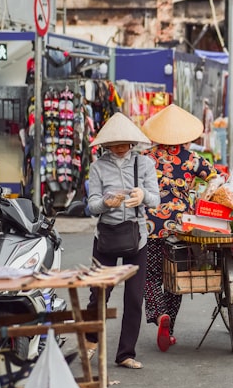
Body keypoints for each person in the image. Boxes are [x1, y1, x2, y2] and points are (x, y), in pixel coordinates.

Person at [85, 112, 160, 369]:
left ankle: (126, 353)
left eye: (124, 142)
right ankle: (90, 340)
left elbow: (156, 199)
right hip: (106, 236)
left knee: (134, 298)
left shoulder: (145, 165)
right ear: (105, 144)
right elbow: (91, 206)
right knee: (99, 294)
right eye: (114, 143)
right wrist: (105, 203)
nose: (119, 147)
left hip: (137, 236)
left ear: (132, 142)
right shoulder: (97, 167)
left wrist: (143, 196)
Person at [141, 104, 215, 352]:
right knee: (177, 276)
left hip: (150, 225)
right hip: (181, 227)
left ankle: (159, 313)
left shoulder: (145, 158)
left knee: (150, 277)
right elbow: (216, 178)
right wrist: (203, 197)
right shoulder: (192, 159)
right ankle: (169, 327)